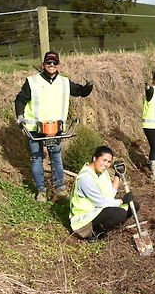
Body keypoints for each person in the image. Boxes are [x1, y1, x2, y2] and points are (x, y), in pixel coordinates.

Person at [15, 51, 94, 202]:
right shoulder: (32, 82)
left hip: (54, 129)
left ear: (58, 65)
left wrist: (89, 85)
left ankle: (60, 188)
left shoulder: (64, 82)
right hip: (35, 128)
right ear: (44, 64)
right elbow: (20, 99)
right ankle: (41, 191)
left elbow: (80, 92)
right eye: (49, 63)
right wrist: (19, 116)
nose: (51, 65)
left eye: (54, 63)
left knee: (56, 157)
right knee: (37, 158)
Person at [69, 145, 139, 242]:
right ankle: (94, 233)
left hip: (97, 212)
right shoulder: (85, 178)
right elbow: (102, 203)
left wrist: (117, 175)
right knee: (119, 213)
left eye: (109, 162)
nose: (106, 164)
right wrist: (122, 201)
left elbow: (110, 194)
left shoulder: (102, 173)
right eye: (104, 160)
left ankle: (109, 226)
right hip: (83, 221)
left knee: (134, 205)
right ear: (95, 158)